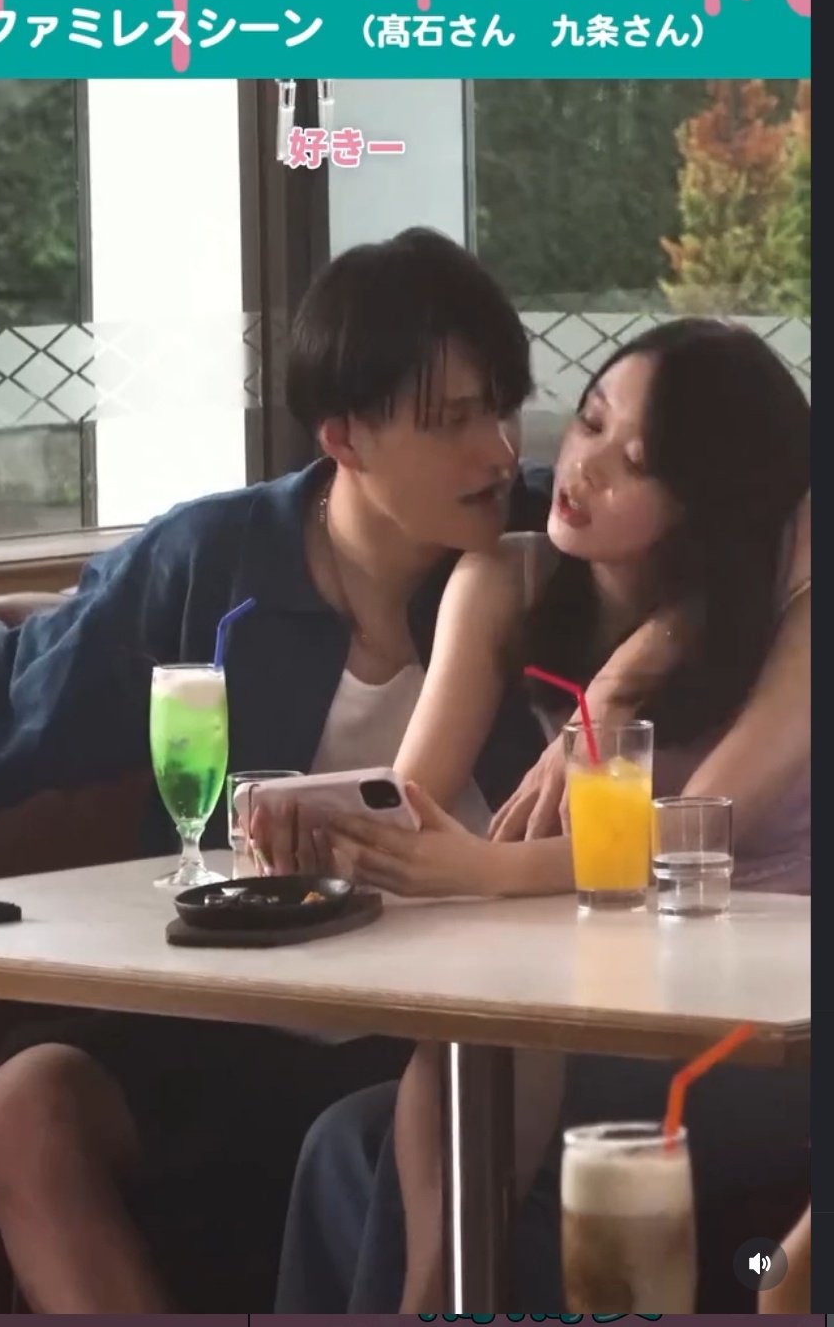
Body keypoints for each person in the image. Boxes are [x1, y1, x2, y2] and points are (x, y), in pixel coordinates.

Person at [0, 228, 557, 1313]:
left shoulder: (554, 555)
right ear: (344, 436)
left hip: (451, 1025)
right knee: (27, 1099)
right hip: (238, 1011)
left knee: (464, 1065)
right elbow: (21, 677)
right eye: (451, 419)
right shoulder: (216, 557)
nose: (497, 451)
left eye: (502, 410)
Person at [276, 319, 811, 1312]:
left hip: (763, 1024)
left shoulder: (795, 627)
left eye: (636, 461)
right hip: (601, 1007)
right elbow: (409, 798)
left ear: (708, 501)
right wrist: (324, 832)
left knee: (485, 1089)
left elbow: (694, 831)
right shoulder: (502, 581)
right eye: (590, 421)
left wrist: (487, 864)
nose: (583, 465)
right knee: (346, 1141)